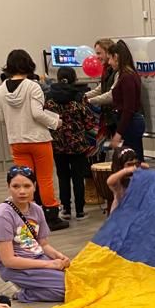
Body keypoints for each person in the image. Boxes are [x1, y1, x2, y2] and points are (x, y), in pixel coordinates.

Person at [0, 49, 69, 231]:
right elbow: (37, 113)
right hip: (38, 139)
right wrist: (55, 122)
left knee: (25, 180)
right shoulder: (32, 86)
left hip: (16, 140)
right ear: (29, 64)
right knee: (45, 178)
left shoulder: (1, 89)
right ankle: (51, 217)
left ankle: (29, 216)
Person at [0, 166, 71, 303]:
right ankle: (22, 293)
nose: (22, 191)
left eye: (27, 186)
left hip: (38, 257)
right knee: (69, 290)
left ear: (35, 186)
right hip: (15, 267)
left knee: (77, 280)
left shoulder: (36, 209)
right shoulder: (2, 216)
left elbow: (43, 244)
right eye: (16, 186)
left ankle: (32, 286)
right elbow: (8, 261)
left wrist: (59, 256)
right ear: (8, 187)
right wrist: (49, 265)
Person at [45, 67, 93, 221]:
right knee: (78, 177)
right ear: (74, 79)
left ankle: (65, 209)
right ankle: (80, 211)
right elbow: (89, 121)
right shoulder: (79, 96)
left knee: (62, 176)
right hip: (77, 144)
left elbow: (46, 120)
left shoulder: (49, 97)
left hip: (58, 144)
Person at [106, 40, 145, 160]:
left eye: (110, 58)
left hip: (131, 123)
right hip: (129, 122)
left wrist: (118, 133)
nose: (109, 62)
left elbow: (128, 108)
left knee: (133, 160)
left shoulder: (127, 77)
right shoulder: (125, 74)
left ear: (116, 57)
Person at [85, 37, 118, 152]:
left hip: (116, 118)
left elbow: (111, 95)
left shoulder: (117, 71)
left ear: (108, 53)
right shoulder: (106, 70)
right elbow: (101, 88)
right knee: (109, 148)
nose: (97, 57)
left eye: (99, 53)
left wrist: (89, 100)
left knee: (118, 149)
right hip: (109, 117)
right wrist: (84, 96)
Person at [106, 147, 144, 214]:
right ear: (120, 165)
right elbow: (109, 181)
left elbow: (146, 166)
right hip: (121, 212)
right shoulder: (118, 181)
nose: (132, 167)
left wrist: (138, 165)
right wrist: (125, 171)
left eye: (134, 163)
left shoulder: (134, 175)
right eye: (129, 164)